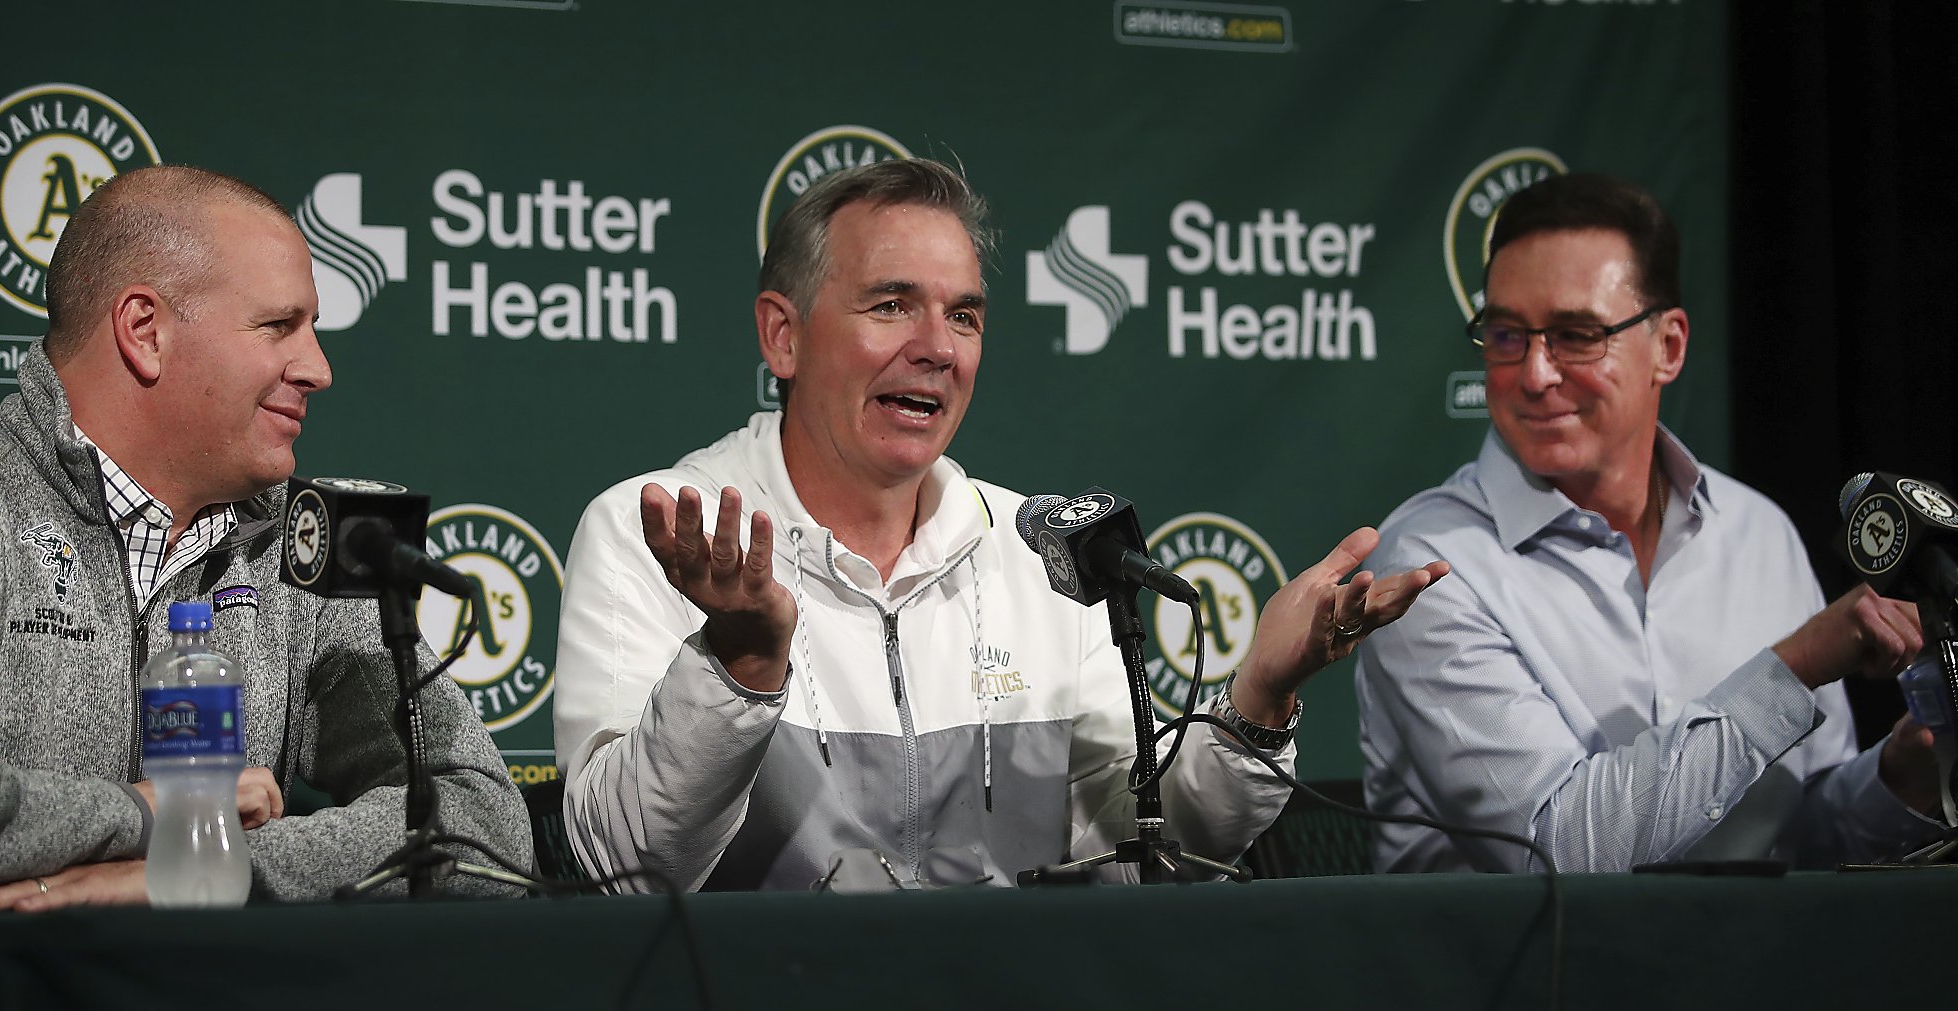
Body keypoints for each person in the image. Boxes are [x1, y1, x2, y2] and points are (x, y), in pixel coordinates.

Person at [553, 158, 1449, 890]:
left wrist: (1258, 696)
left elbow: (1157, 854)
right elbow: (624, 868)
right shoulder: (658, 533)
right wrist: (739, 669)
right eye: (892, 303)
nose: (939, 347)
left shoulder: (1040, 550)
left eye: (966, 315)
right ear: (782, 336)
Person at [0, 165, 530, 909]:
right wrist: (140, 815)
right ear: (146, 332)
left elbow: (482, 819)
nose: (319, 368)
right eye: (278, 325)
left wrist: (206, 871)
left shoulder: (301, 547)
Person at [1355, 172, 1941, 873]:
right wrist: (1797, 664)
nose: (1534, 373)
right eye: (1507, 333)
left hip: (1755, 976)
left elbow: (1797, 841)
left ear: (1668, 346)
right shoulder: (1425, 564)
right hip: (1523, 981)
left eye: (1575, 335)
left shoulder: (1758, 533)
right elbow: (1559, 848)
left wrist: (1903, 776)